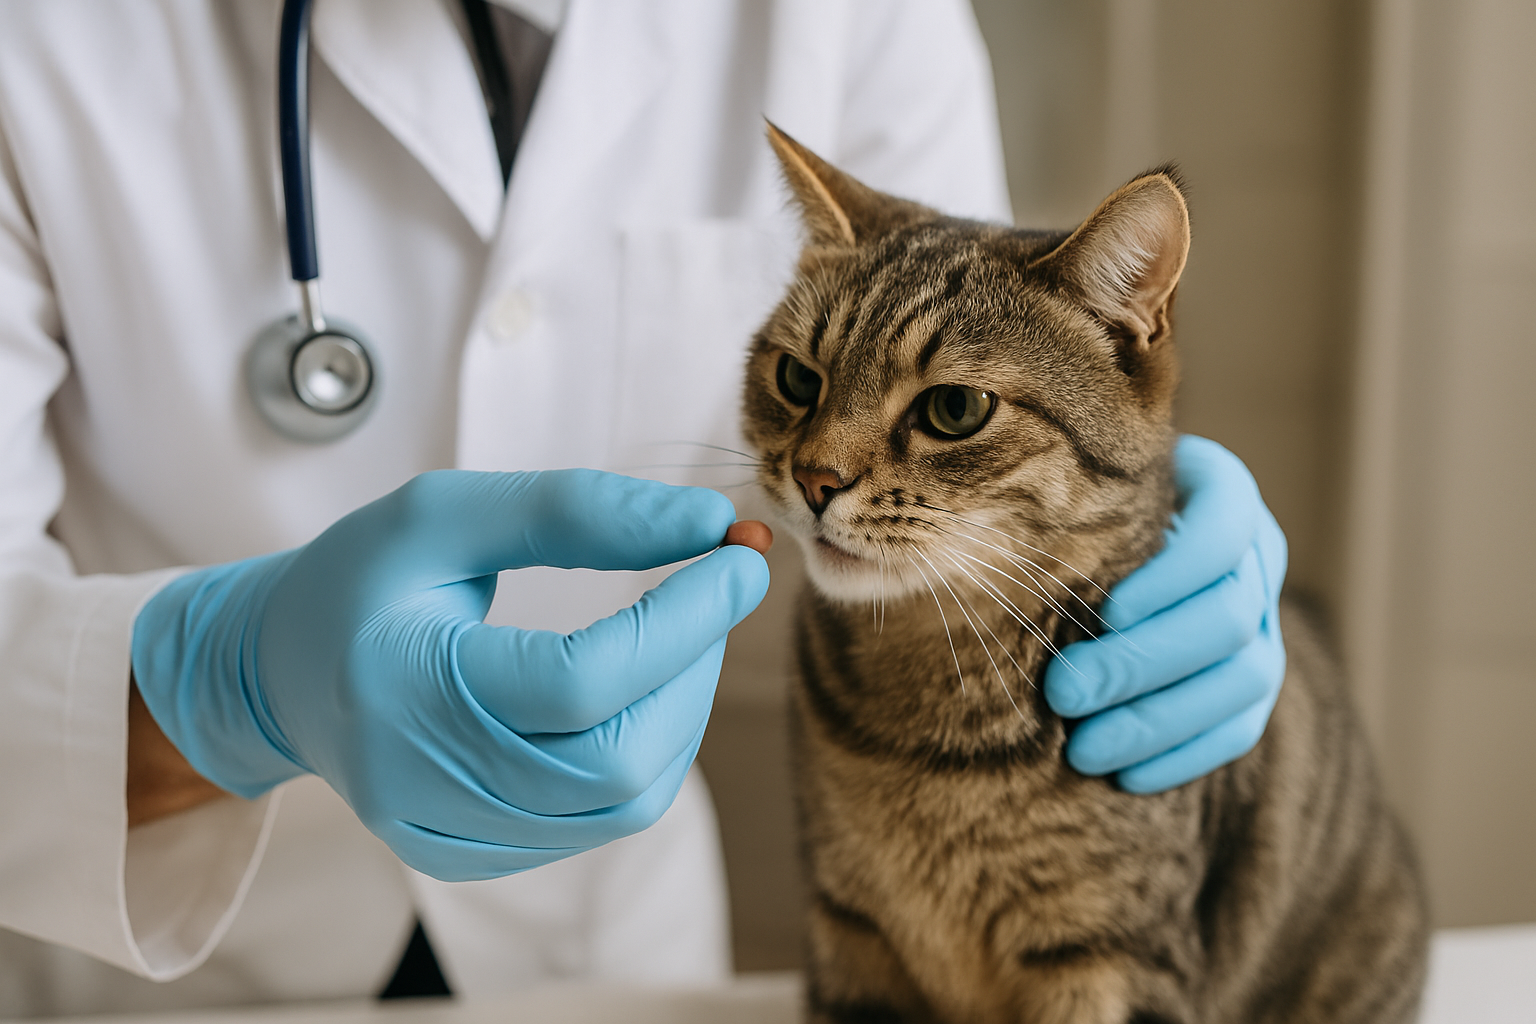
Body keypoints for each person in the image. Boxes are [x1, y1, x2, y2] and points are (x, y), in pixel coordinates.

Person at [0, 0, 1287, 1013]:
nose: (828, 468)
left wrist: (1136, 536)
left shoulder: (867, 14)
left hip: (606, 943)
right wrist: (225, 687)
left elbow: (990, 328)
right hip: (159, 963)